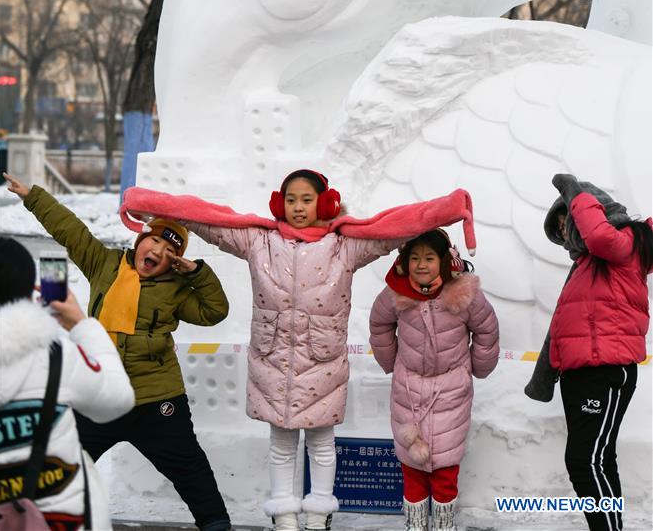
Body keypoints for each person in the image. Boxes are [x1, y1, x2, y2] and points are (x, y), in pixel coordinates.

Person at [120, 168, 477, 531]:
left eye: (307, 200)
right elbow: (212, 221)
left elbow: (392, 228)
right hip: (273, 365)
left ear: (324, 203)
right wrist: (153, 205)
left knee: (322, 445)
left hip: (323, 366)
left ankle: (319, 516)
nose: (298, 207)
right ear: (280, 203)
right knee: (281, 446)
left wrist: (449, 209)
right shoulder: (260, 241)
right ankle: (285, 518)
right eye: (291, 200)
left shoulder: (345, 247)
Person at [3, 172, 233, 531]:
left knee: (190, 468)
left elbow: (214, 311)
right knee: (57, 462)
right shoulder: (105, 263)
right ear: (140, 240)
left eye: (170, 251)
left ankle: (217, 523)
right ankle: (34, 521)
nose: (158, 252)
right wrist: (33, 196)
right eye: (154, 242)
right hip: (100, 395)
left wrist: (196, 272)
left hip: (156, 399)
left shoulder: (176, 289)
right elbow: (70, 229)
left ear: (175, 261)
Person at [526, 173, 653, 531]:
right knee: (596, 459)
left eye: (571, 221)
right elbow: (560, 328)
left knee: (585, 461)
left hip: (607, 372)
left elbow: (598, 235)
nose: (568, 231)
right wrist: (545, 378)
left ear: (594, 212)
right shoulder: (582, 267)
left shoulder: (626, 245)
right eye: (563, 227)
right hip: (580, 374)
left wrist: (574, 191)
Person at [0, 236, 135, 530]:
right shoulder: (57, 357)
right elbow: (116, 400)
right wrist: (81, 325)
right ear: (29, 291)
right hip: (64, 520)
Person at [369, 229, 499, 531]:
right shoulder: (395, 293)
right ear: (404, 262)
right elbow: (379, 324)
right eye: (414, 258)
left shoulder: (464, 294)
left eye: (429, 258)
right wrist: (390, 361)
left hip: (451, 390)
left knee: (445, 468)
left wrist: (477, 367)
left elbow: (487, 331)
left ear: (444, 261)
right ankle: (415, 526)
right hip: (408, 389)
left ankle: (443, 525)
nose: (421, 265)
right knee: (412, 469)